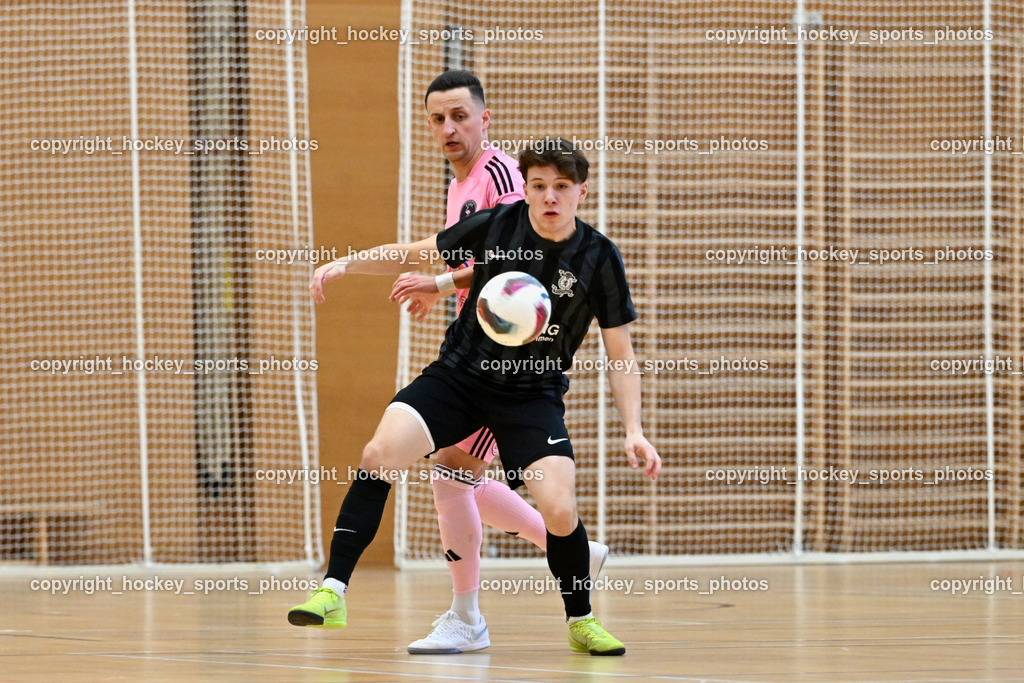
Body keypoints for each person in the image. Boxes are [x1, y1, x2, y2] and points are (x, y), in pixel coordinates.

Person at [290, 138, 661, 656]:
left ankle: (581, 619)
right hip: (459, 378)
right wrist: (347, 264)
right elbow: (415, 253)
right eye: (538, 186)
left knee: (558, 507)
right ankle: (333, 590)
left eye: (561, 186)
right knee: (379, 454)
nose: (549, 197)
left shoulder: (599, 257)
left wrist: (634, 430)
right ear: (526, 189)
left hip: (532, 394)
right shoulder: (498, 225)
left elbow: (620, 353)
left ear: (582, 190)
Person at [388, 70, 608, 654]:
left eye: (460, 116)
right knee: (457, 475)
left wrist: (438, 282)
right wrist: (443, 288)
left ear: (485, 120)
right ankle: (571, 549)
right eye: (438, 119)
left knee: (451, 476)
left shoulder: (500, 174)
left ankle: (468, 618)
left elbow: (520, 256)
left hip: (506, 356)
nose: (449, 128)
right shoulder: (460, 183)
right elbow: (477, 256)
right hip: (471, 349)